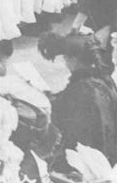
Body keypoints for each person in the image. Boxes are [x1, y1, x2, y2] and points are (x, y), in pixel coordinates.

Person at [37, 33, 117, 164]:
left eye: (65, 59)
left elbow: (62, 116)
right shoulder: (105, 79)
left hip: (91, 157)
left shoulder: (82, 88)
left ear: (73, 60)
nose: (65, 63)